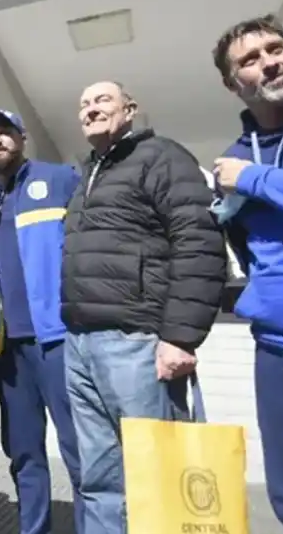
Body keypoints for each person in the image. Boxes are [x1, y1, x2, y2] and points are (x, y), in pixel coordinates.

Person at [61, 81, 227, 532]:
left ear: (130, 109)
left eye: (102, 100)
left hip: (135, 343)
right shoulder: (88, 173)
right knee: (97, 477)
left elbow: (200, 241)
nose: (91, 109)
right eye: (84, 104)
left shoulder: (162, 157)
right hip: (79, 345)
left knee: (156, 471)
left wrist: (180, 336)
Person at [211, 15, 283, 531]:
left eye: (275, 48)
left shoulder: (244, 169)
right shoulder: (235, 158)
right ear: (233, 84)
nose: (269, 61)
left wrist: (255, 179)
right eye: (249, 60)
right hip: (277, 348)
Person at [0, 109, 84, 534]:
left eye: (4, 133)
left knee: (79, 449)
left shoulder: (60, 180)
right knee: (24, 453)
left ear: (23, 137)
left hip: (58, 341)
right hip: (8, 350)